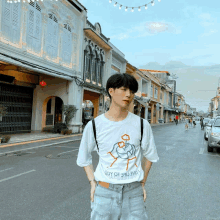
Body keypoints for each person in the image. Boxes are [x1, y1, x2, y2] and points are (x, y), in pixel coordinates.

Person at [76, 73, 159, 220]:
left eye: (132, 91)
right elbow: (84, 158)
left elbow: (150, 156)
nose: (129, 94)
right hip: (104, 191)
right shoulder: (95, 125)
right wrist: (92, 183)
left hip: (134, 192)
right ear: (111, 91)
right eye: (124, 89)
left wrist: (142, 183)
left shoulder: (142, 125)